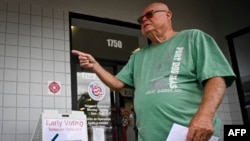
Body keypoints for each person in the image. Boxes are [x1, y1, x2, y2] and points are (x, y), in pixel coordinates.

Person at [71, 2, 236, 141]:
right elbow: (116, 84)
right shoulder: (138, 56)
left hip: (190, 134)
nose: (144, 20)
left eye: (149, 15)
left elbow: (216, 77)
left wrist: (205, 116)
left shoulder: (193, 38)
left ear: (168, 15)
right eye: (140, 19)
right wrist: (96, 66)